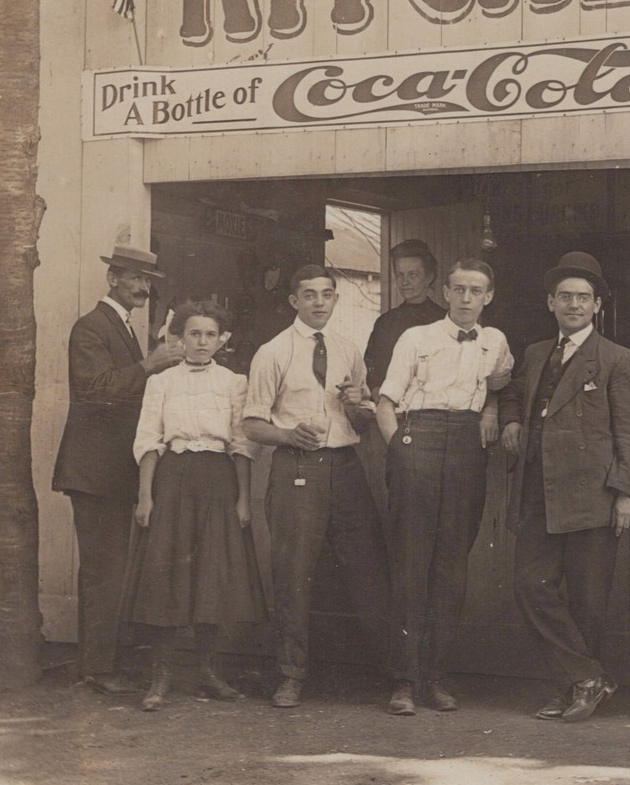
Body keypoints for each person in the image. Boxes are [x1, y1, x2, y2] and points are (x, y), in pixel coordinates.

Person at [499, 252, 630, 722]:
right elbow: (513, 392)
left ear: (597, 306)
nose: (574, 305)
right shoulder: (537, 353)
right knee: (529, 586)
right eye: (565, 296)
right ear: (550, 302)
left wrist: (626, 492)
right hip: (538, 492)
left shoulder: (619, 360)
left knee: (588, 600)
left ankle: (576, 690)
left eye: (584, 297)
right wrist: (505, 421)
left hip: (593, 495)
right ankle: (586, 678)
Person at [243, 265, 390, 709]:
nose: (319, 302)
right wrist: (287, 435)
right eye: (309, 295)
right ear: (294, 301)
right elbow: (251, 423)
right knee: (293, 573)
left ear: (335, 299)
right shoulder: (272, 352)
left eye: (327, 294)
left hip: (345, 466)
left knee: (368, 568)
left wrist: (357, 405)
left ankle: (391, 672)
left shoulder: (347, 350)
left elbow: (363, 421)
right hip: (295, 467)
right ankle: (290, 675)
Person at [376, 259, 514, 715]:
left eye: (476, 290)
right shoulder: (415, 337)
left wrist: (491, 411)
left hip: (466, 448)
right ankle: (402, 681)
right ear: (447, 292)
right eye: (459, 289)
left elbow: (501, 384)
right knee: (411, 562)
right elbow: (385, 402)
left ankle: (435, 679)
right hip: (418, 437)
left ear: (488, 296)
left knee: (452, 567)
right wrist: (400, 449)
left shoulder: (495, 341)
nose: (466, 298)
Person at [120, 301, 268, 711]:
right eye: (193, 334)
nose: (201, 342)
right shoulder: (162, 383)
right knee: (167, 576)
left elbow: (241, 443)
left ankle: (207, 671)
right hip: (173, 479)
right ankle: (161, 675)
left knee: (212, 576)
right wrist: (146, 496)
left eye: (209, 335)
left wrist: (242, 498)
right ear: (180, 338)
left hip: (218, 481)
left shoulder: (234, 382)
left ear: (223, 340)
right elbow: (149, 438)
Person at [52, 243, 183, 693]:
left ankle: (99, 662)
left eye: (147, 281)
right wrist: (149, 364)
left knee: (106, 568)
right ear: (112, 280)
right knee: (103, 568)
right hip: (94, 472)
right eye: (134, 278)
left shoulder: (123, 327)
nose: (143, 287)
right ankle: (98, 668)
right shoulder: (90, 327)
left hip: (111, 470)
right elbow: (94, 390)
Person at [364, 239, 445, 395]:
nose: (405, 282)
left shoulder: (445, 321)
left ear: (429, 277)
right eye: (400, 275)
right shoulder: (385, 322)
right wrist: (376, 392)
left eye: (413, 275)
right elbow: (370, 367)